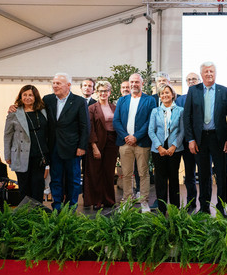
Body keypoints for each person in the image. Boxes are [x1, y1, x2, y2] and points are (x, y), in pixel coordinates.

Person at [183, 62, 227, 216]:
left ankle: (221, 206)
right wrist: (190, 139)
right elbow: (187, 117)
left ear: (215, 73)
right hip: (200, 139)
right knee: (203, 174)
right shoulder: (193, 91)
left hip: (219, 138)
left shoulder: (224, 91)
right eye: (206, 72)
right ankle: (204, 207)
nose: (209, 74)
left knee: (221, 173)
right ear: (201, 75)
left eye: (211, 71)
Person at [43, 73, 89, 210]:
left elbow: (85, 126)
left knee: (73, 180)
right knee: (55, 179)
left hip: (73, 148)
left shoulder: (79, 101)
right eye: (54, 83)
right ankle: (56, 207)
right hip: (54, 147)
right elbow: (32, 109)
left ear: (68, 85)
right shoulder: (48, 100)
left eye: (58, 83)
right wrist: (15, 107)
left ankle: (71, 207)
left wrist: (82, 146)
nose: (54, 86)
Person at [113, 73, 156, 213]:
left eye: (137, 82)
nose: (133, 85)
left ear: (142, 83)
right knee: (126, 174)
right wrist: (126, 136)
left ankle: (144, 202)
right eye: (131, 82)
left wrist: (136, 136)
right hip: (125, 143)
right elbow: (116, 121)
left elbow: (150, 121)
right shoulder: (122, 100)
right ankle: (126, 201)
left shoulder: (149, 100)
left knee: (143, 173)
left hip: (142, 143)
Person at [4, 85, 49, 203]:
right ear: (20, 96)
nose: (27, 97)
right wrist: (7, 155)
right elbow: (7, 135)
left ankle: (38, 215)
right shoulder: (14, 112)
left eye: (30, 95)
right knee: (24, 187)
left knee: (38, 186)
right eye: (25, 95)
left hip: (40, 156)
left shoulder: (43, 111)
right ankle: (26, 215)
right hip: (20, 155)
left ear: (35, 97)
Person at [148, 84, 184, 213]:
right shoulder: (155, 111)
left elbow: (182, 131)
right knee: (160, 180)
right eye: (162, 93)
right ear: (160, 96)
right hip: (158, 150)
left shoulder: (180, 110)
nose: (165, 95)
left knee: (174, 178)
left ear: (173, 94)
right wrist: (159, 147)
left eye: (167, 92)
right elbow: (151, 131)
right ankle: (162, 208)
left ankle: (175, 208)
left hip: (175, 149)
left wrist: (174, 145)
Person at [83, 81, 118, 210]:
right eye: (100, 91)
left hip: (112, 143)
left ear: (109, 92)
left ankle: (109, 200)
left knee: (108, 173)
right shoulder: (92, 108)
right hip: (97, 142)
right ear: (96, 93)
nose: (103, 93)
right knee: (96, 173)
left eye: (106, 91)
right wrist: (94, 146)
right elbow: (90, 128)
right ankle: (97, 201)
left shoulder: (114, 107)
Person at [176, 72, 202, 212]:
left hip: (203, 142)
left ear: (199, 81)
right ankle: (191, 203)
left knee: (204, 174)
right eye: (189, 79)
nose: (191, 81)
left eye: (194, 79)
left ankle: (205, 203)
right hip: (187, 143)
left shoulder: (205, 96)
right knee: (190, 174)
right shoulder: (180, 100)